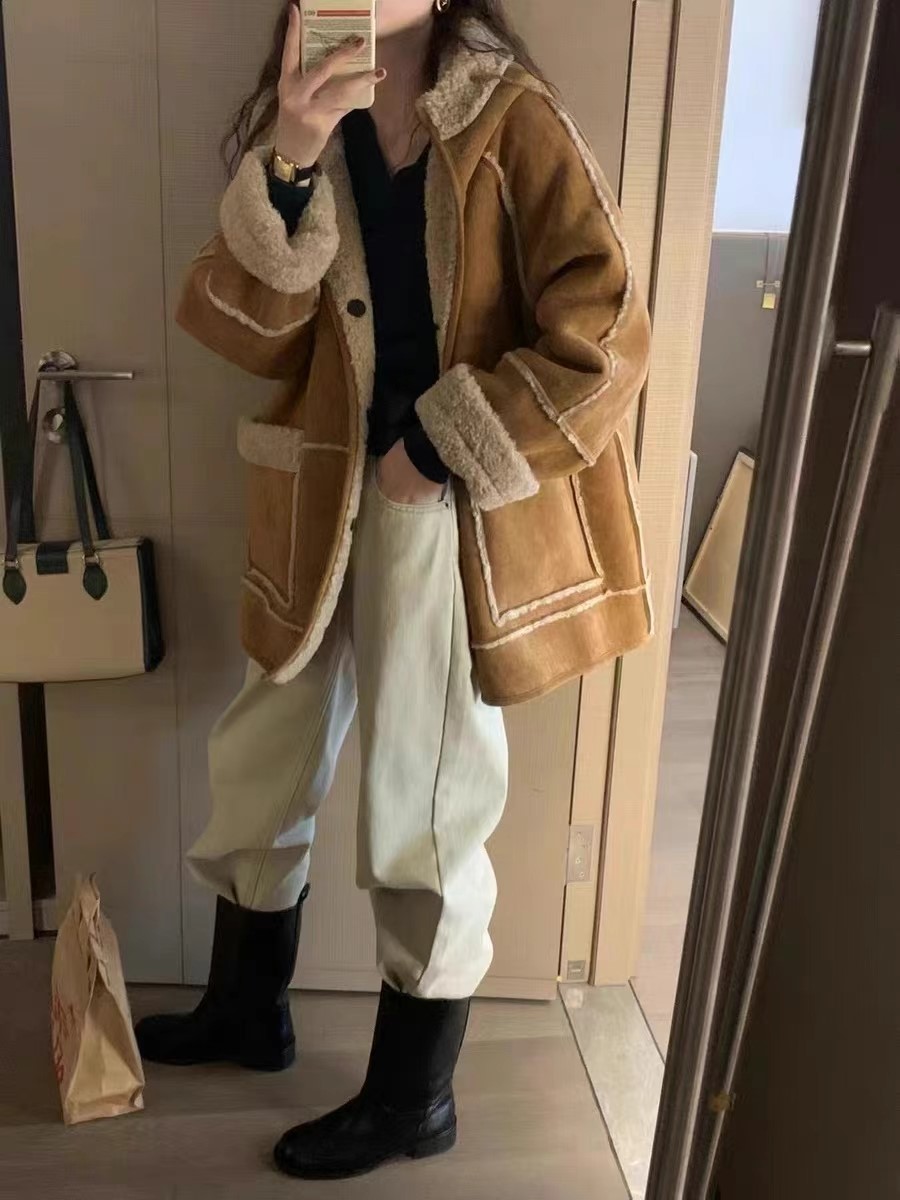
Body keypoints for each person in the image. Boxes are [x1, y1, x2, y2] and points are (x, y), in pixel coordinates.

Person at [136, 0, 652, 1181]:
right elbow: (250, 333)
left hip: (437, 503)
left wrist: (437, 448)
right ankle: (247, 1009)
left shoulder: (510, 117)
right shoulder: (307, 113)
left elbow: (608, 334)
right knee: (260, 752)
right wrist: (291, 158)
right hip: (318, 485)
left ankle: (416, 1098)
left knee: (426, 792)